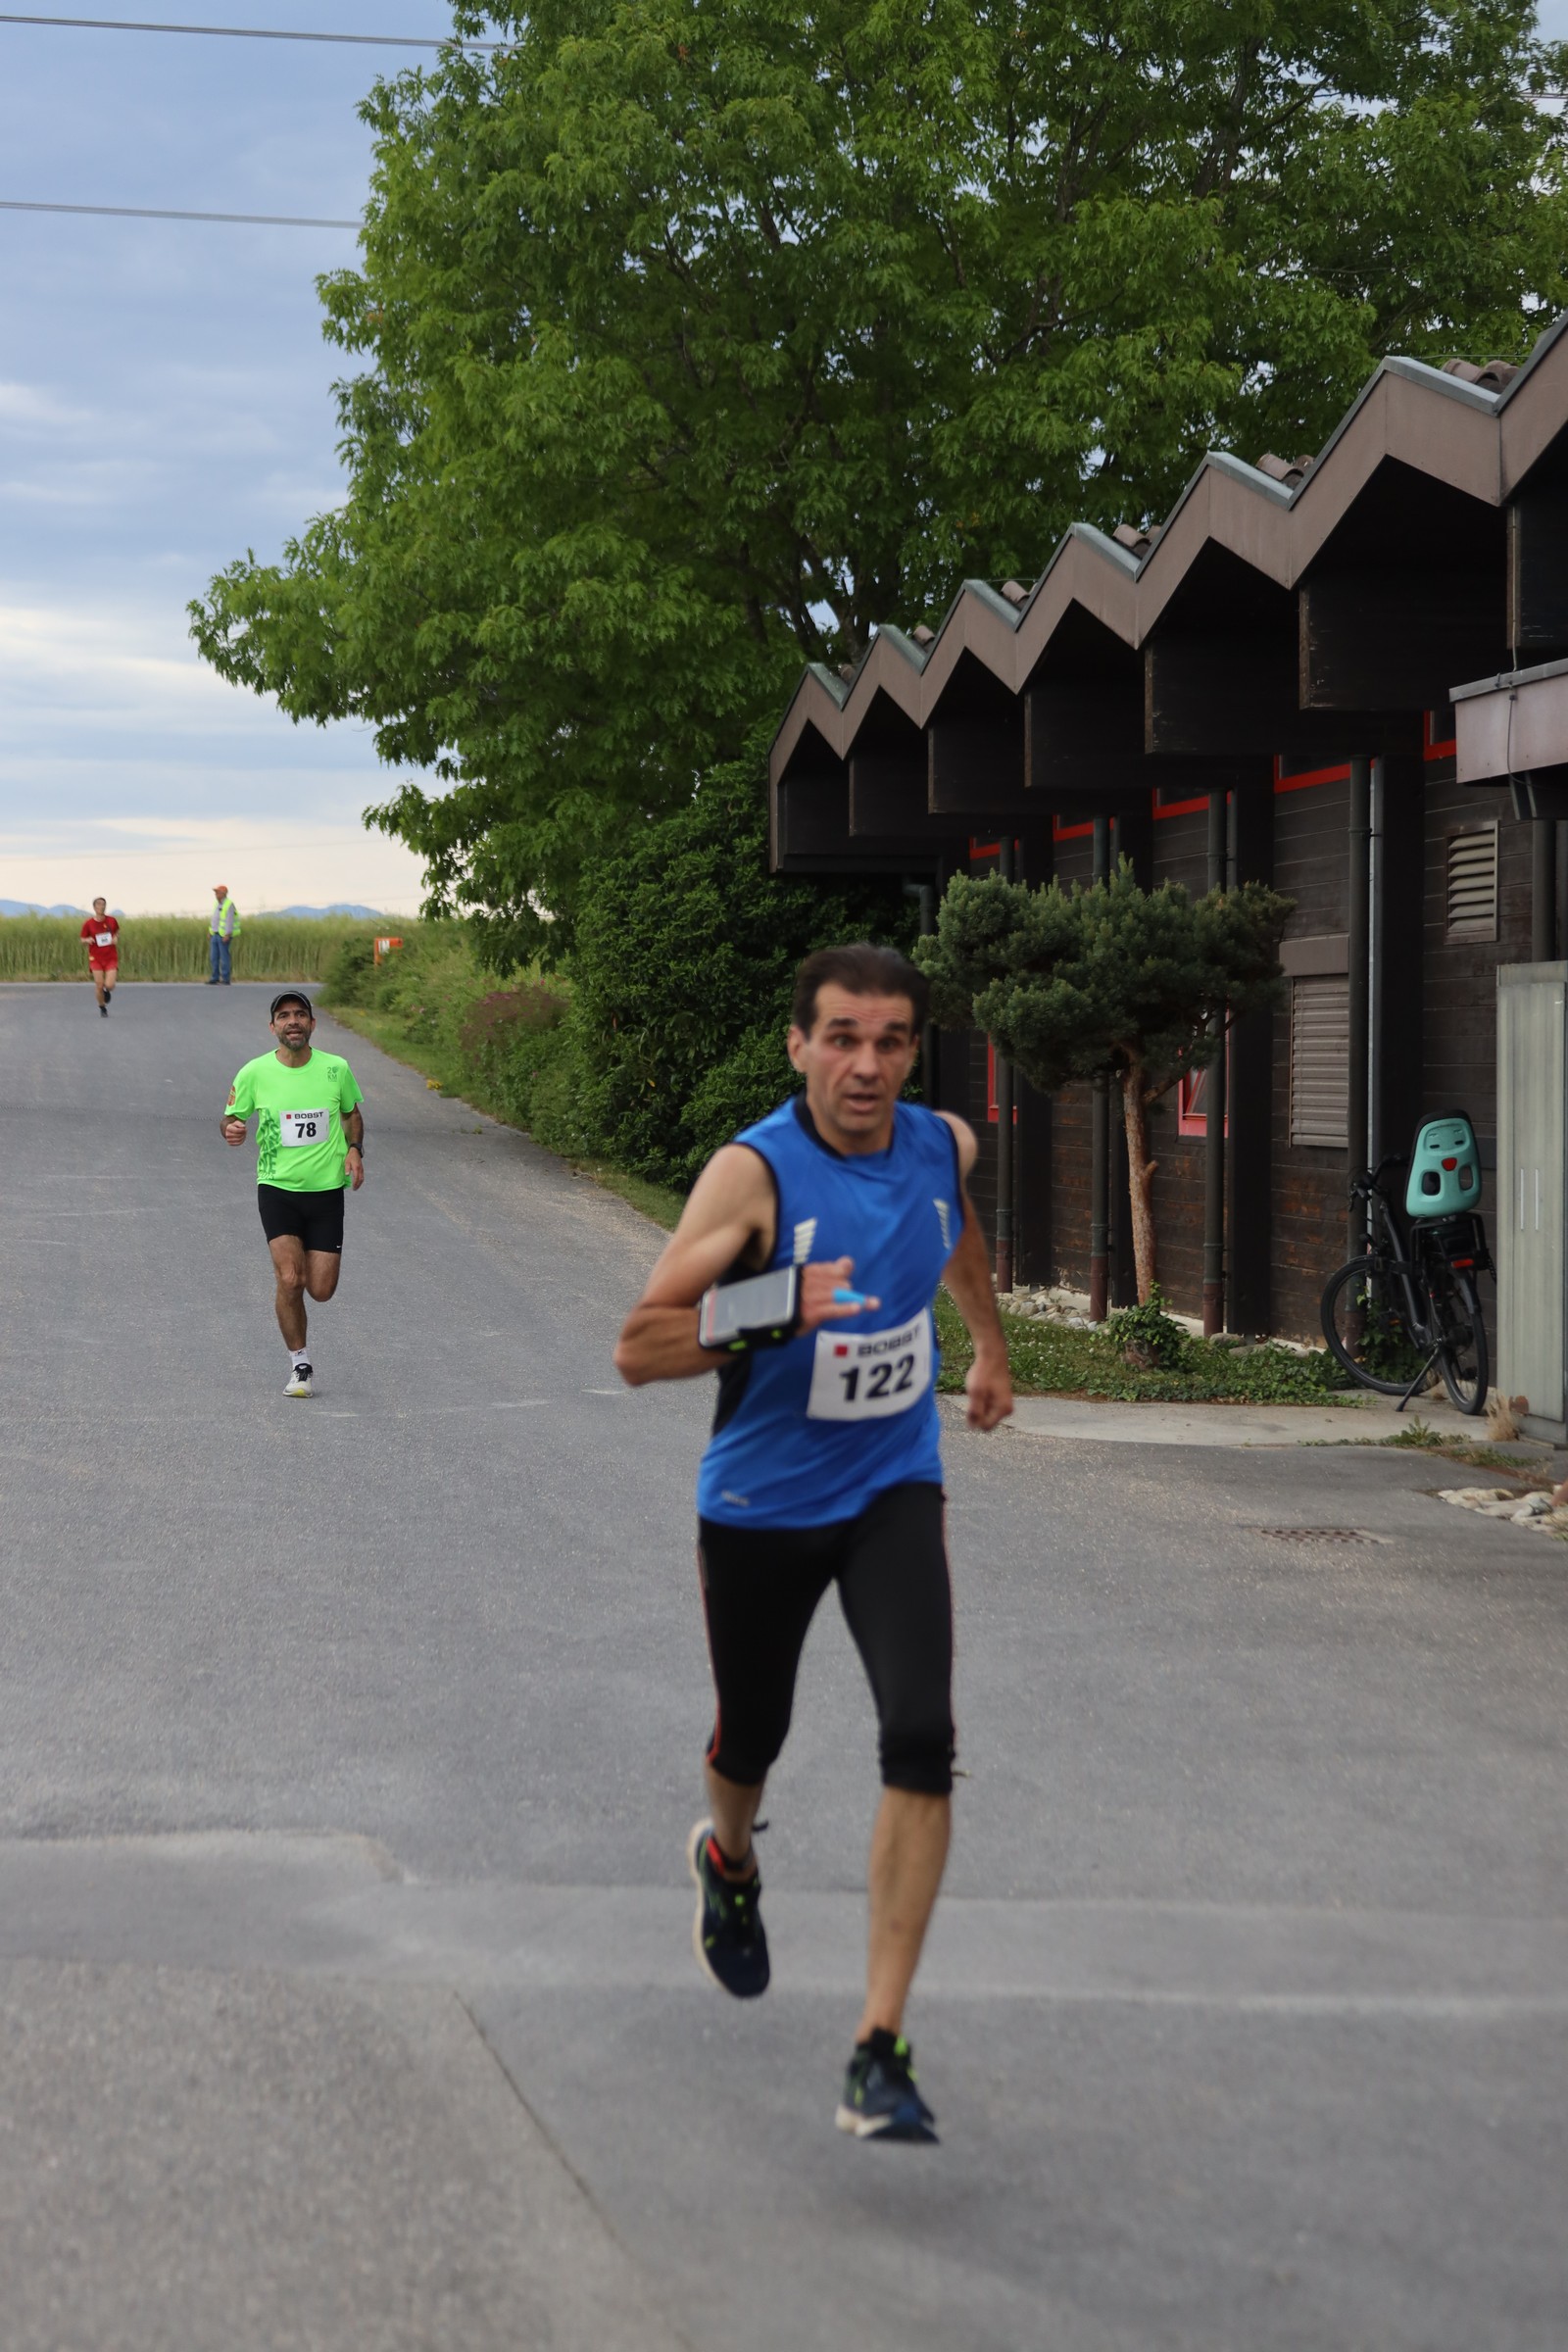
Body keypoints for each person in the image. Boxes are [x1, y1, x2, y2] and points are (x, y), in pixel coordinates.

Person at [613, 942, 1013, 2144]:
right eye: (841, 1039)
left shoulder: (941, 1145)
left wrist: (987, 1345)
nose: (865, 1065)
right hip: (761, 1502)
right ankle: (729, 1860)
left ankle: (878, 2049)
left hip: (893, 1485)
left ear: (913, 1052)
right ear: (798, 1046)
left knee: (922, 1736)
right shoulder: (751, 1177)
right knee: (753, 1736)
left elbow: (952, 1231)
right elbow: (639, 1345)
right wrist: (774, 1305)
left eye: (889, 1042)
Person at [220, 990, 365, 1396]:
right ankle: (300, 1365)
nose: (293, 1021)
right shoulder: (254, 1072)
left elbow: (352, 1114)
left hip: (326, 1193)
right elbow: (229, 1118)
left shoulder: (336, 1069)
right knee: (290, 1277)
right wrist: (231, 1129)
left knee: (320, 1289)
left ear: (312, 1024)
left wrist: (355, 1149)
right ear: (273, 1028)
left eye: (300, 1014)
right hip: (277, 1188)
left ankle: (301, 1306)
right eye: (284, 1016)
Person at [78, 897, 120, 1015]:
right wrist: (87, 940)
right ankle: (102, 1007)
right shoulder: (88, 923)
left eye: (103, 905)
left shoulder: (112, 920)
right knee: (99, 985)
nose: (102, 907)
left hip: (110, 957)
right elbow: (82, 939)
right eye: (99, 905)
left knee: (110, 985)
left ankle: (107, 990)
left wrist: (115, 938)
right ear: (94, 907)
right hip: (95, 958)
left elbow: (117, 932)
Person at [207, 884, 239, 984]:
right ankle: (215, 977)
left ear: (224, 893)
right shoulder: (217, 904)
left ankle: (225, 979)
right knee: (214, 957)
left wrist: (227, 934)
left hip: (223, 935)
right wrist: (210, 931)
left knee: (224, 958)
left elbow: (229, 920)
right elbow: (214, 920)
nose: (216, 894)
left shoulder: (229, 904)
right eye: (215, 892)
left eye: (217, 892)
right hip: (215, 934)